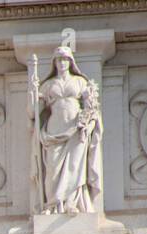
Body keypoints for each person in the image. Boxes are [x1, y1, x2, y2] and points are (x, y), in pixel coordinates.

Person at [29, 47, 102, 214]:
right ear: (54, 62)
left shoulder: (80, 82)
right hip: (54, 129)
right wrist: (32, 95)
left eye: (66, 59)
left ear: (71, 62)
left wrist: (88, 122)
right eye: (59, 59)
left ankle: (71, 203)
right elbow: (33, 112)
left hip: (76, 129)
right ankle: (52, 205)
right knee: (53, 169)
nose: (62, 62)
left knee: (75, 166)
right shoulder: (48, 85)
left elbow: (92, 107)